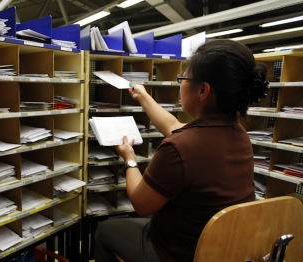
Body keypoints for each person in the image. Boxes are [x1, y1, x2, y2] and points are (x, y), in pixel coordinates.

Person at [94, 39, 269, 262]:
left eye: (183, 79)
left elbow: (141, 203)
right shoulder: (237, 133)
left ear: (203, 90)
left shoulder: (178, 148)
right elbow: (174, 127)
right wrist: (143, 96)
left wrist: (129, 159)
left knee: (105, 231)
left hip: (178, 253)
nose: (180, 85)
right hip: (222, 249)